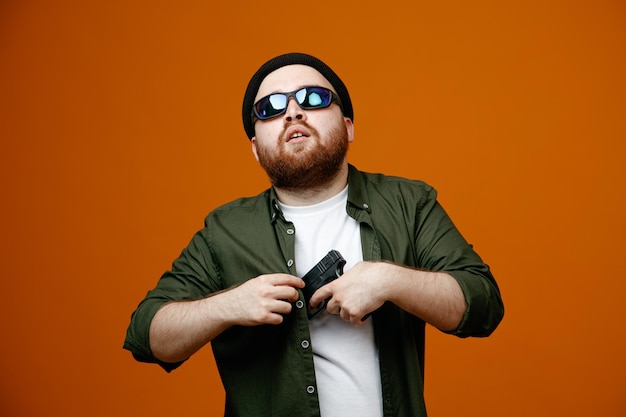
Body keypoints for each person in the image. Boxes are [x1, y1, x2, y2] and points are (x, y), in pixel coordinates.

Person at [124, 52, 504, 417]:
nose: (293, 112)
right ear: (256, 149)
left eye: (314, 98)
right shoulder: (225, 231)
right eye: (269, 108)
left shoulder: (409, 203)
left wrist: (389, 280)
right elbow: (148, 336)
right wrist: (231, 305)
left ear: (348, 126)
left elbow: (483, 304)